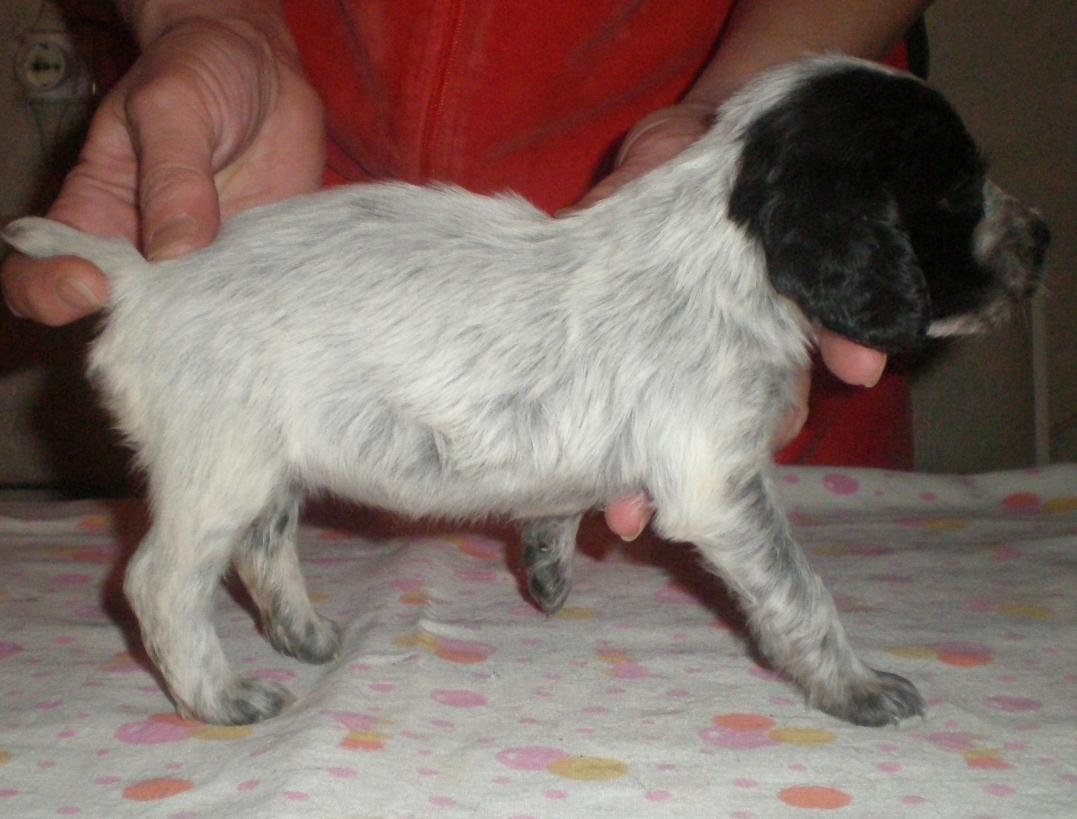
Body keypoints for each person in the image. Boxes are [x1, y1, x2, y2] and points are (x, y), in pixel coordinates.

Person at [0, 0, 931, 539]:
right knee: (243, 490)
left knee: (709, 496)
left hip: (682, 259)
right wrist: (210, 13)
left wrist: (740, 135)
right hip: (303, 230)